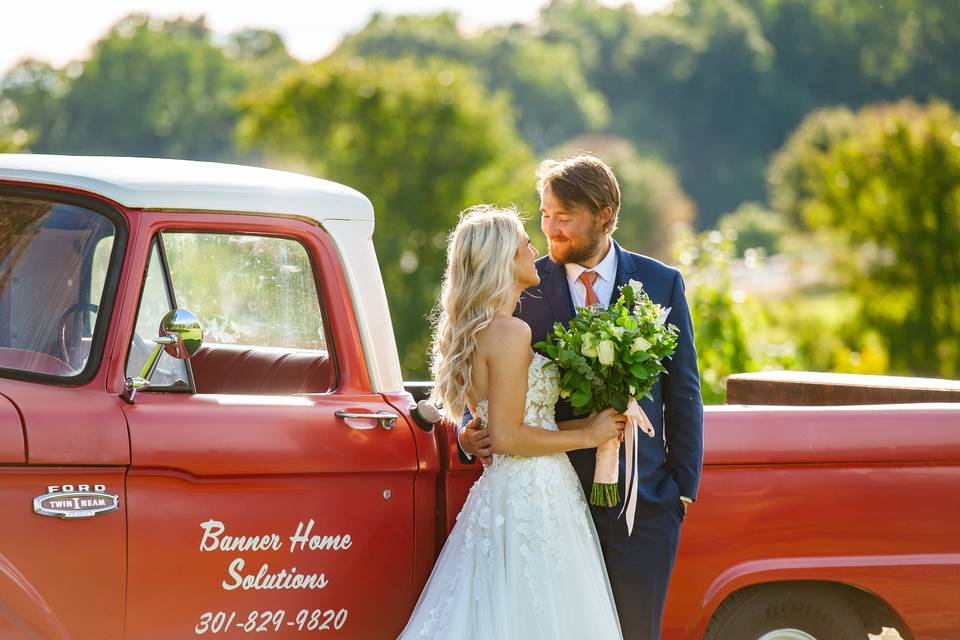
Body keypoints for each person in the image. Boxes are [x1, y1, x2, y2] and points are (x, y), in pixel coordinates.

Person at [458, 155, 704, 640]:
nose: (550, 229)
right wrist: (469, 429)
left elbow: (684, 391)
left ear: (605, 214)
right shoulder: (522, 284)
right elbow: (480, 366)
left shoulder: (661, 282)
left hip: (647, 506)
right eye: (545, 215)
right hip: (555, 505)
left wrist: (682, 490)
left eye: (563, 217)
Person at [398, 205, 626, 640]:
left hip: (513, 491)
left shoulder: (481, 330)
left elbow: (496, 422)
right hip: (532, 494)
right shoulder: (509, 332)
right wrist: (589, 434)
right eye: (524, 240)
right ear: (503, 257)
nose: (533, 247)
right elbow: (505, 436)